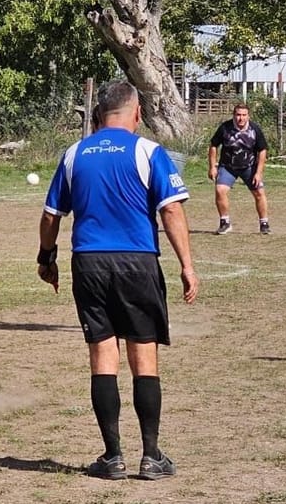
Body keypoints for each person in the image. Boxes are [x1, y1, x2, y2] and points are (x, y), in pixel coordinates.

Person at [37, 80, 199, 480]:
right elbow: (172, 212)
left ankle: (112, 456)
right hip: (137, 262)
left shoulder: (74, 154)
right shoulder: (148, 151)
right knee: (143, 357)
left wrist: (46, 257)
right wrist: (187, 265)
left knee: (102, 357)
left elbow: (51, 216)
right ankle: (151, 456)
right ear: (137, 112)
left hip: (88, 263)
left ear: (98, 114)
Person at [207, 103, 271, 234]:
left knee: (259, 192)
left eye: (243, 115)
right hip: (228, 166)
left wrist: (258, 173)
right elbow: (213, 146)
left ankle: (264, 223)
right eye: (238, 115)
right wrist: (212, 167)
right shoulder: (225, 128)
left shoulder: (255, 129)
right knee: (220, 190)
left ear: (248, 116)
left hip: (249, 166)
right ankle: (225, 222)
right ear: (233, 115)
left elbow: (263, 150)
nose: (240, 118)